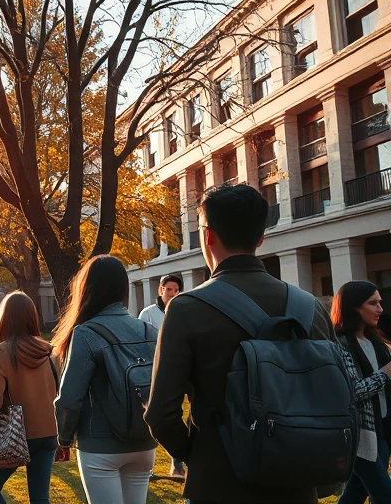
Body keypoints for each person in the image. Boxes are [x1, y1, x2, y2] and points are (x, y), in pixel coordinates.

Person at [144, 184, 335, 504]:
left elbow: (161, 414)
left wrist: (199, 455)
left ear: (207, 236)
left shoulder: (186, 309)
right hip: (296, 481)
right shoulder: (309, 306)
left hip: (219, 483)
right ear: (261, 238)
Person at [52, 255, 158, 504]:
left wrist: (64, 439)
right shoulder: (148, 330)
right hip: (144, 442)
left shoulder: (86, 333)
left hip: (100, 444)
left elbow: (69, 398)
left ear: (87, 290)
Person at [0, 292, 59, 504]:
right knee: (40, 498)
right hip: (49, 432)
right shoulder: (49, 350)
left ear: (5, 317)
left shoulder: (1, 352)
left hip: (17, 433)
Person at [331, 281, 391, 504]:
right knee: (385, 494)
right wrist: (384, 374)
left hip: (382, 430)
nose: (380, 309)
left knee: (355, 494)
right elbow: (352, 392)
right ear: (354, 307)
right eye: (372, 303)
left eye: (380, 303)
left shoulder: (376, 343)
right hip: (360, 435)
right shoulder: (340, 345)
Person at [136, 273, 185, 478]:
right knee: (152, 416)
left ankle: (177, 463)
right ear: (160, 290)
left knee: (175, 415)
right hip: (152, 372)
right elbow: (140, 342)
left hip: (179, 369)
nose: (171, 293)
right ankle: (147, 465)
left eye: (175, 289)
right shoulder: (147, 314)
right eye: (168, 289)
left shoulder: (182, 310)